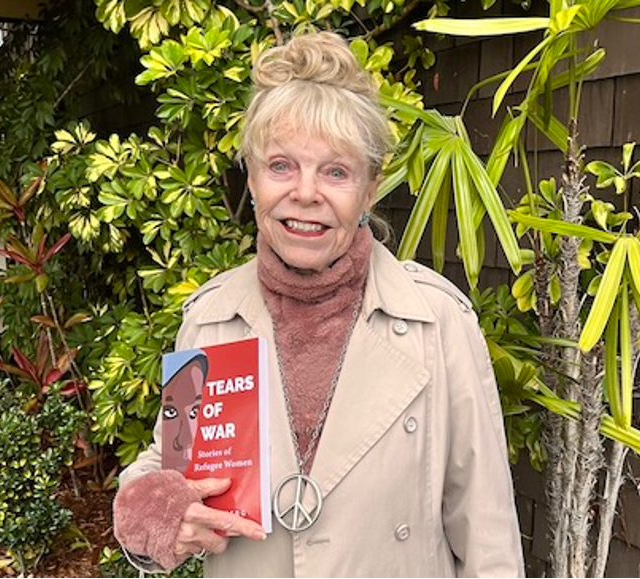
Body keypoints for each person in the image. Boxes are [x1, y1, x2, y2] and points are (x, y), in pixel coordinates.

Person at [113, 31, 524, 578]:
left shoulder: (437, 321)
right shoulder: (210, 319)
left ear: (370, 188)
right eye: (281, 165)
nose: (306, 193)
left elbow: (488, 539)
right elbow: (176, 462)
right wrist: (152, 508)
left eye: (335, 171)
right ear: (253, 177)